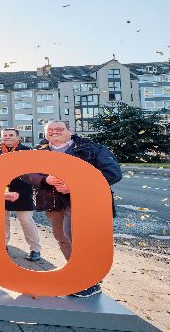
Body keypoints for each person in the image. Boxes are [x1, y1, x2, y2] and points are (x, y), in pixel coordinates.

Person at [26, 120, 122, 297]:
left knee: (77, 237)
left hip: (84, 202)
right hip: (53, 203)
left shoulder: (91, 148)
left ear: (70, 131)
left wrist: (76, 184)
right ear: (45, 134)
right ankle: (77, 276)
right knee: (62, 237)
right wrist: (44, 179)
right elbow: (26, 173)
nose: (54, 132)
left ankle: (89, 281)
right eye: (50, 130)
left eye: (59, 129)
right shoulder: (39, 152)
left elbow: (113, 172)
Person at [0, 128, 42, 262]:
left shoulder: (27, 151)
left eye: (11, 135)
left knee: (26, 220)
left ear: (18, 137)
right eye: (5, 135)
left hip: (23, 190)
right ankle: (2, 245)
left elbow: (33, 170)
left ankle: (35, 249)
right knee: (2, 221)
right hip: (1, 190)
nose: (7, 137)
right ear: (1, 137)